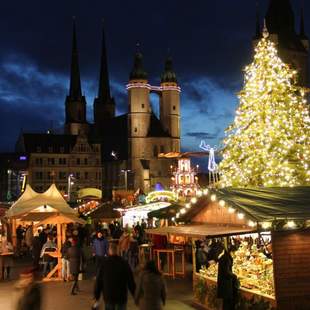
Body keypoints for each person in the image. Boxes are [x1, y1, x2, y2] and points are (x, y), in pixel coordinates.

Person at [93, 242, 136, 310]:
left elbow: (98, 281)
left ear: (109, 251)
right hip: (121, 296)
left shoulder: (104, 264)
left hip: (108, 296)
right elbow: (130, 280)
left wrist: (96, 296)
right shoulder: (123, 263)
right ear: (117, 251)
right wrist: (135, 294)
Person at [217, 245, 239, 310]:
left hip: (223, 283)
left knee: (225, 301)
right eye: (234, 252)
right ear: (231, 252)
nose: (234, 254)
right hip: (226, 283)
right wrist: (234, 276)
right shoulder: (227, 259)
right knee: (227, 302)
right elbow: (226, 272)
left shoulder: (224, 257)